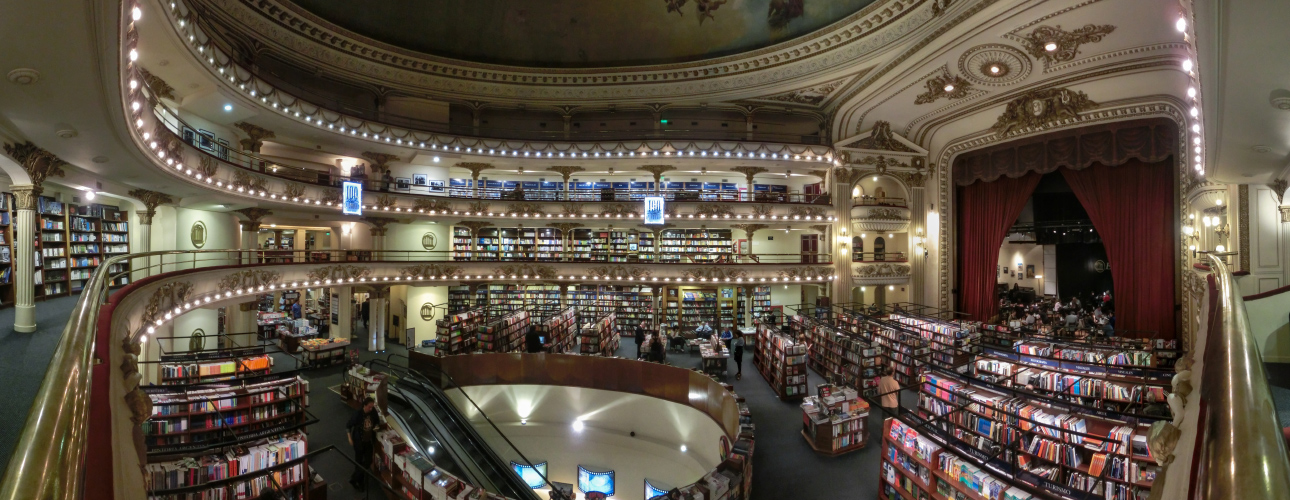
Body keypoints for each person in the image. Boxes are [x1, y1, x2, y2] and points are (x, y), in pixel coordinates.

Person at [347, 397, 378, 489]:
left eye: (372, 407)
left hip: (368, 441)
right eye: (369, 407)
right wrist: (349, 438)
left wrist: (376, 426)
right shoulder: (358, 414)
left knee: (368, 461)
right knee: (359, 461)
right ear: (364, 405)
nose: (371, 409)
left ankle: (354, 478)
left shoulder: (373, 412)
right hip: (358, 442)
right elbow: (348, 425)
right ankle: (360, 483)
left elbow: (377, 421)